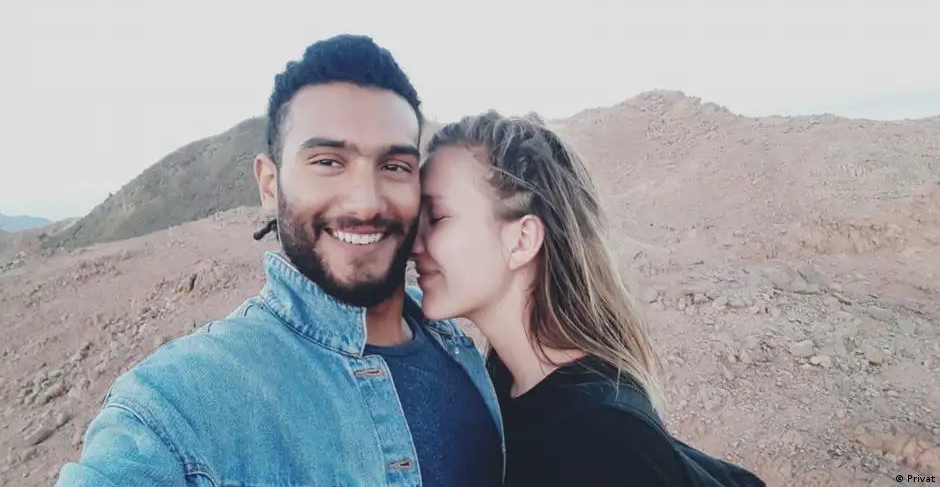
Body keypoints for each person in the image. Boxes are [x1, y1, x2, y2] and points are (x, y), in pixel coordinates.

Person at [55, 35, 504, 487]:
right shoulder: (182, 404)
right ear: (270, 185)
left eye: (394, 167)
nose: (367, 203)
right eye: (329, 161)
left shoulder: (454, 339)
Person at [412, 111, 766, 486]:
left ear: (522, 241)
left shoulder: (603, 444)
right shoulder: (508, 377)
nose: (413, 245)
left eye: (435, 217)